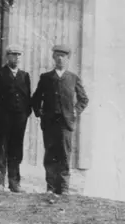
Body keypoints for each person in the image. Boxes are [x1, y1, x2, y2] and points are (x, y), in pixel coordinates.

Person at [31, 45, 88, 195]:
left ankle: (63, 188)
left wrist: (75, 111)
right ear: (53, 58)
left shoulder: (73, 78)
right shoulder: (46, 78)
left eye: (63, 56)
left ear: (68, 59)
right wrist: (40, 112)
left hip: (65, 123)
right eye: (57, 55)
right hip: (49, 123)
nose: (60, 58)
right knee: (50, 154)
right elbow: (36, 98)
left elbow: (84, 99)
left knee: (64, 154)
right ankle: (50, 187)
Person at [0, 45, 32, 193]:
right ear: (7, 57)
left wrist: (24, 114)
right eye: (13, 55)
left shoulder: (24, 75)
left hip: (19, 120)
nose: (16, 58)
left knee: (16, 151)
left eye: (18, 55)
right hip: (2, 120)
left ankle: (14, 182)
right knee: (1, 149)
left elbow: (27, 98)